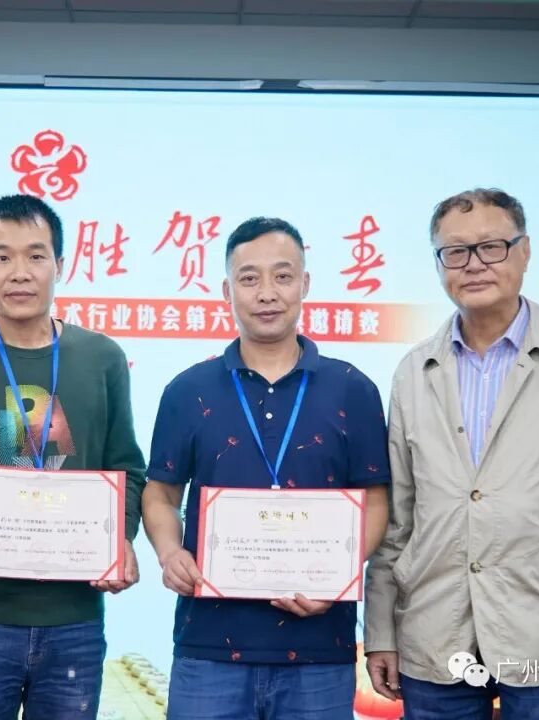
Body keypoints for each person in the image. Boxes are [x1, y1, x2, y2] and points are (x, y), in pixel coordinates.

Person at [364, 188, 539, 719]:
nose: (474, 265)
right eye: (455, 252)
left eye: (491, 247)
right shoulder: (414, 371)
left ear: (525, 251)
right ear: (439, 263)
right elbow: (397, 524)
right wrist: (380, 632)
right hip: (435, 633)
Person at [0, 193, 146, 720]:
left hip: (75, 620)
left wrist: (120, 538)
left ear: (60, 265)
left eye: (36, 256)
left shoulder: (102, 359)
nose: (20, 272)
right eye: (2, 257)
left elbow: (127, 467)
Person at [142, 216, 390, 720]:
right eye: (249, 278)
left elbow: (376, 500)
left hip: (319, 651)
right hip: (208, 647)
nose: (267, 293)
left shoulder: (353, 388)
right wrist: (169, 552)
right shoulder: (187, 390)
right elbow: (160, 492)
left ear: (305, 284)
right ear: (227, 291)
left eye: (282, 276)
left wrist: (338, 575)